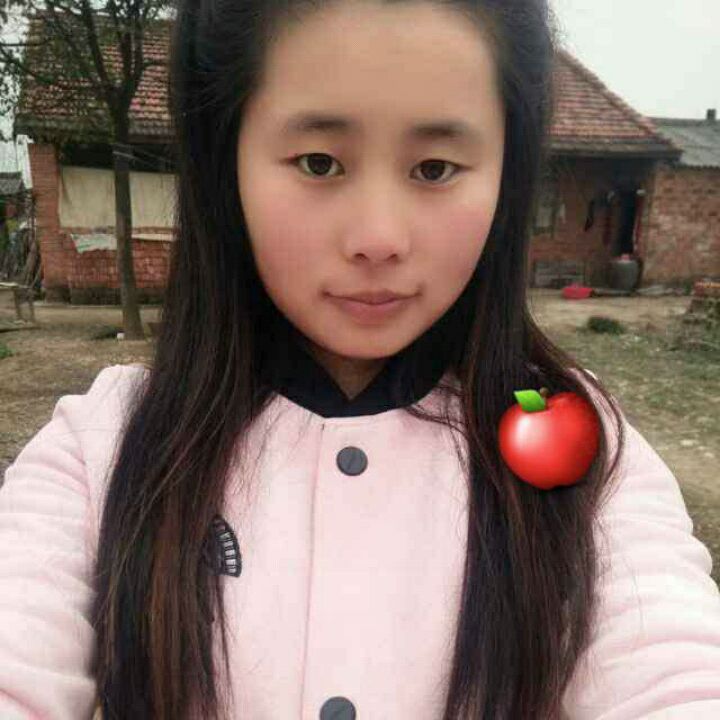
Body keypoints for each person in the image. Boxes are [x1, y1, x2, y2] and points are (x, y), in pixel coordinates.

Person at [1, 0, 719, 718]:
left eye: (435, 168)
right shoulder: (104, 447)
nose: (379, 238)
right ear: (226, 165)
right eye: (319, 163)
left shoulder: (579, 447)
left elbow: (674, 673)